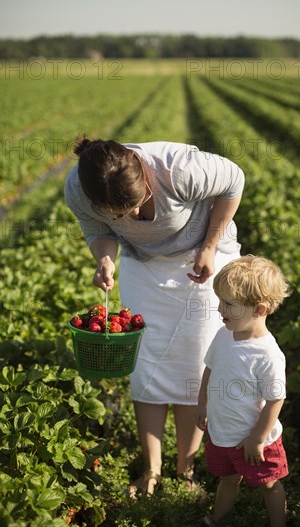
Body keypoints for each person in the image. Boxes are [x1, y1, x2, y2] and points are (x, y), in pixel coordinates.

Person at [64, 138, 245, 495]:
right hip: (143, 266)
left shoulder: (179, 170)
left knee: (194, 364)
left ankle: (186, 468)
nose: (130, 218)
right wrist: (104, 259)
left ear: (145, 179)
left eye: (135, 205)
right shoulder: (78, 187)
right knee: (146, 362)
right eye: (118, 214)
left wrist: (209, 247)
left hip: (201, 258)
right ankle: (152, 468)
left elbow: (234, 181)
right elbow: (97, 231)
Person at [196, 255, 291, 527]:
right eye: (220, 301)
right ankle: (218, 518)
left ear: (259, 309)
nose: (219, 309)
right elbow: (209, 370)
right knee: (228, 479)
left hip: (255, 441)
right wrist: (202, 404)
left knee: (269, 485)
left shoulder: (267, 354)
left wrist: (257, 438)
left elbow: (275, 399)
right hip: (223, 432)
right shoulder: (224, 334)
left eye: (229, 304)